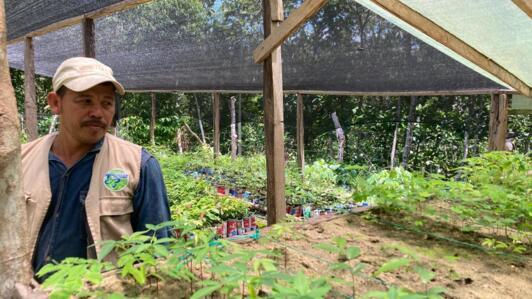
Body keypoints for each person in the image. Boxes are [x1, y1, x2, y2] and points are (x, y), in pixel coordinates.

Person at [20, 57, 171, 277]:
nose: (98, 113)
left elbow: (158, 252)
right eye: (85, 101)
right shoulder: (19, 162)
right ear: (55, 103)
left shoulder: (139, 165)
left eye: (107, 103)